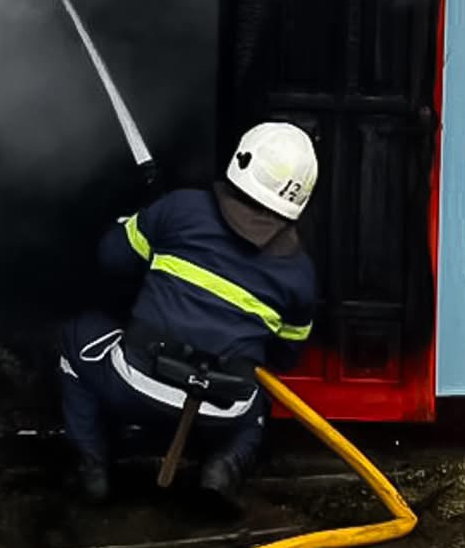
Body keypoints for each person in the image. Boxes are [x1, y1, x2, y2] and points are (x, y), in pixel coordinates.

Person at [59, 121, 318, 502]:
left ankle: (91, 467)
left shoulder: (180, 209)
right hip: (223, 411)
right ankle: (224, 468)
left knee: (75, 336)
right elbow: (285, 357)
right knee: (256, 406)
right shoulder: (301, 274)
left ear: (241, 159)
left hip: (136, 385)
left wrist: (140, 222)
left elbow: (111, 258)